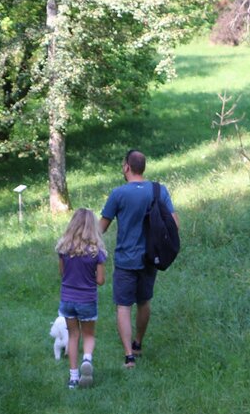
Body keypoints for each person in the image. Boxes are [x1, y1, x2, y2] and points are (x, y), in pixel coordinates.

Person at [99, 149, 179, 368]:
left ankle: (128, 356)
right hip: (150, 258)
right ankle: (138, 344)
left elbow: (101, 229)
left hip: (126, 259)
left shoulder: (118, 194)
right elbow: (175, 224)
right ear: (143, 168)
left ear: (126, 167)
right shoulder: (158, 190)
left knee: (123, 305)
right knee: (144, 301)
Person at [56, 208, 107, 389]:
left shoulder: (63, 248)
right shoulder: (96, 252)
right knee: (88, 334)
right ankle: (87, 358)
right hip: (87, 300)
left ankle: (73, 378)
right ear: (92, 227)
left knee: (73, 335)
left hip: (67, 300)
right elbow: (100, 280)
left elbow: (62, 273)